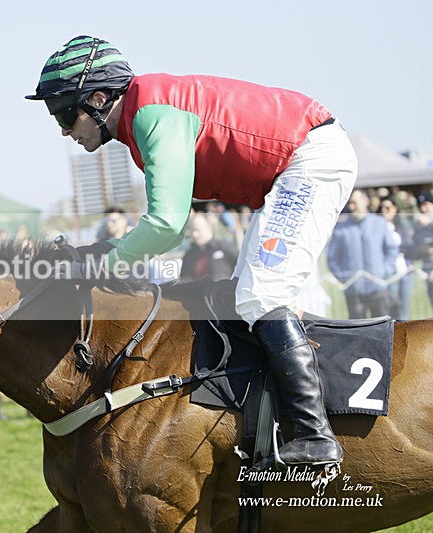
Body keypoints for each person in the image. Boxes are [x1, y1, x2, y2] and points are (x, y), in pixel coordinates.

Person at [27, 35, 358, 468]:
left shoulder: (151, 114)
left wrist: (100, 266)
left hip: (308, 160)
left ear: (99, 99)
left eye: (65, 114)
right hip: (288, 169)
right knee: (245, 298)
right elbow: (165, 224)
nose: (64, 130)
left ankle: (316, 436)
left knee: (260, 296)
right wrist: (100, 253)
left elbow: (166, 225)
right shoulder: (142, 117)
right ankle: (267, 418)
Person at [327, 190, 399, 319]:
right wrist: (343, 277)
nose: (351, 207)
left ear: (365, 201)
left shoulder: (379, 223)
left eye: (354, 203)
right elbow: (332, 257)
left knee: (382, 329)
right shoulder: (341, 229)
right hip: (354, 291)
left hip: (378, 288)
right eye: (350, 203)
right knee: (358, 333)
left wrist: (385, 271)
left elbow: (392, 250)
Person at [378, 196, 414, 320]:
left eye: (388, 207)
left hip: (402, 269)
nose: (384, 210)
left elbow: (409, 246)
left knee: (403, 305)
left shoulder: (401, 225)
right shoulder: (378, 226)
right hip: (386, 271)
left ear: (395, 209)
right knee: (390, 304)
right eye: (382, 207)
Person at [180, 212, 239, 282]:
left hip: (223, 291)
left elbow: (241, 267)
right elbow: (184, 281)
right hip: (199, 292)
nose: (195, 234)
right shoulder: (189, 255)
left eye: (198, 230)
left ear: (209, 227)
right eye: (192, 230)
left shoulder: (225, 247)